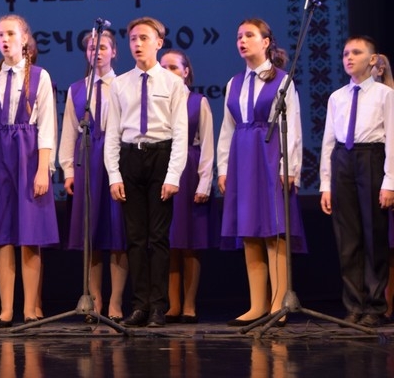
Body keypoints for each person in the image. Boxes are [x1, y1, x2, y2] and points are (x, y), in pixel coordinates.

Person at [0, 14, 58, 328]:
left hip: (27, 154)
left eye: (10, 33)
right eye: (0, 35)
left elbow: (47, 127)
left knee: (30, 235)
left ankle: (30, 309)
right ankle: (6, 310)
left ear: (24, 38)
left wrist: (43, 169)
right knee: (2, 235)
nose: (5, 40)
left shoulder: (39, 76)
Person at [217, 18, 305, 327]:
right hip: (242, 159)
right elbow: (227, 129)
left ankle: (278, 303)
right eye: (239, 36)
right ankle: (257, 305)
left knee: (274, 230)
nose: (242, 41)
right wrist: (223, 168)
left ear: (266, 41)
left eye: (249, 35)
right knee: (250, 231)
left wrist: (289, 167)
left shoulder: (282, 80)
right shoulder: (234, 83)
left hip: (269, 157)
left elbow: (292, 127)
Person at [104, 16, 188, 328]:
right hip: (131, 158)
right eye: (133, 39)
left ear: (158, 43)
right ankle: (140, 305)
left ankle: (158, 307)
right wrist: (114, 174)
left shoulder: (172, 83)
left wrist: (173, 175)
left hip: (160, 156)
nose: (137, 44)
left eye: (144, 38)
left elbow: (180, 132)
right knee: (136, 238)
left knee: (158, 237)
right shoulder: (120, 84)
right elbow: (113, 132)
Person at [319, 36, 394, 328]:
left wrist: (389, 181)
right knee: (347, 239)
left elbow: (392, 140)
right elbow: (328, 142)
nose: (349, 57)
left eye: (356, 52)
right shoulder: (337, 97)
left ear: (372, 59)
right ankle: (354, 305)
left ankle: (375, 305)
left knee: (374, 234)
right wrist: (326, 184)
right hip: (343, 160)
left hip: (371, 158)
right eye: (345, 53)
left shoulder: (385, 95)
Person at [58, 29, 128, 322]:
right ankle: (95, 300)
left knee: (117, 235)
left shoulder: (123, 85)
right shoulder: (78, 89)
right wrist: (67, 169)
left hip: (115, 160)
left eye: (103, 47)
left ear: (114, 52)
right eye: (91, 48)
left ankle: (116, 302)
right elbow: (68, 130)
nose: (96, 53)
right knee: (91, 236)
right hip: (87, 161)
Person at [159, 49, 216, 323]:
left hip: (190, 172)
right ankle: (173, 304)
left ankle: (190, 304)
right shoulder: (158, 103)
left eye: (173, 67)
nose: (168, 72)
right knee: (169, 242)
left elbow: (207, 144)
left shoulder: (197, 102)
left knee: (190, 242)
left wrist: (204, 182)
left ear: (185, 72)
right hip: (164, 169)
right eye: (163, 67)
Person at [376, 54, 394, 320]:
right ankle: (383, 304)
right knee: (383, 245)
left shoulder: (389, 97)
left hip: (389, 177)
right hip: (375, 174)